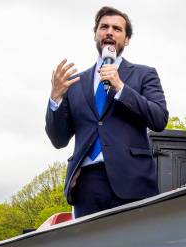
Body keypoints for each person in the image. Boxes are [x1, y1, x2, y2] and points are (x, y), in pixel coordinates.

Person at [45, 6, 168, 218]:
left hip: (132, 180)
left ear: (127, 39)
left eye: (117, 29)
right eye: (104, 27)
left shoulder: (144, 74)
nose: (109, 32)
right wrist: (55, 98)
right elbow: (58, 139)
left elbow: (159, 118)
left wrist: (121, 88)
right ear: (96, 34)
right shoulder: (75, 83)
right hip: (87, 184)